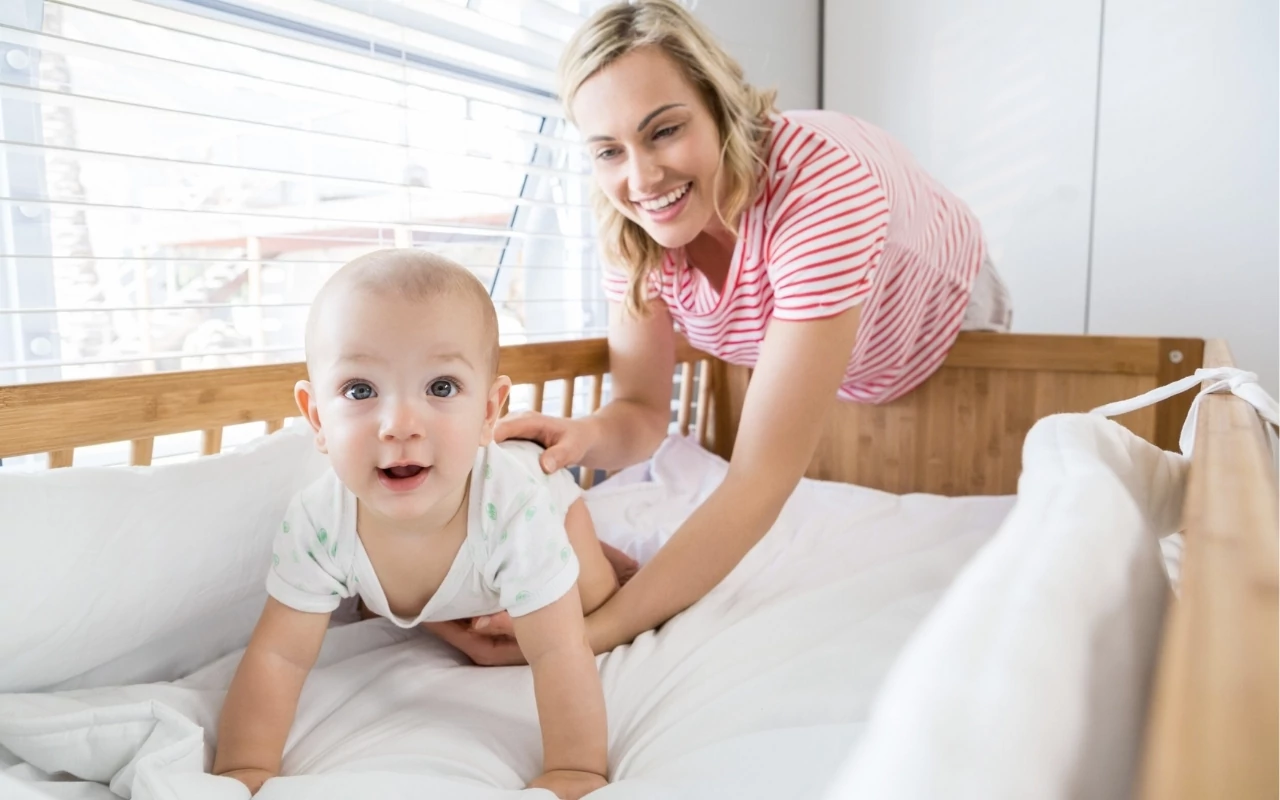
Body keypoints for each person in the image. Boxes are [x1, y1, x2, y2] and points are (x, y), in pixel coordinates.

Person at [428, 0, 1013, 666]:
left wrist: (582, 638)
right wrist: (584, 435)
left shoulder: (823, 192)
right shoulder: (629, 226)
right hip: (824, 341)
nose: (641, 177)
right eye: (609, 151)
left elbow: (759, 478)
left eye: (664, 131)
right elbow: (642, 410)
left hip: (934, 309)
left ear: (721, 105)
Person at [212, 250, 617, 800]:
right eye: (360, 390)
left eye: (441, 387)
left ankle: (600, 556)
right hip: (473, 563)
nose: (400, 425)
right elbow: (278, 656)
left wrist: (575, 770)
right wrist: (243, 767)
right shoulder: (320, 521)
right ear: (317, 418)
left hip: (546, 491)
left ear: (489, 412)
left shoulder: (517, 510)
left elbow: (559, 652)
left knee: (592, 596)